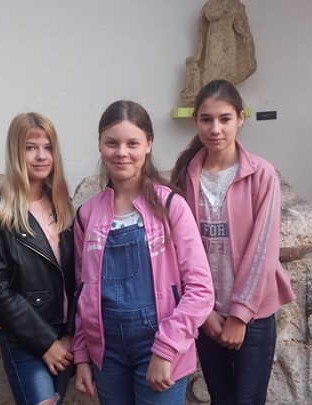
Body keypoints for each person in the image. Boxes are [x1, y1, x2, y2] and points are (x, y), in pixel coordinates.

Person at [72, 100, 214, 404]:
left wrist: (166, 348)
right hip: (106, 352)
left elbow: (201, 289)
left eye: (132, 143)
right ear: (100, 144)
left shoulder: (170, 207)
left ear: (148, 144)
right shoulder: (86, 215)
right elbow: (82, 291)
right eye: (112, 143)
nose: (121, 152)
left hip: (160, 347)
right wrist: (82, 354)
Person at [170, 79, 297, 405]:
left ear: (240, 119)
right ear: (196, 121)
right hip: (207, 314)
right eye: (206, 119)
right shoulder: (185, 177)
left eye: (224, 118)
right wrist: (205, 312)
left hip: (253, 316)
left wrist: (240, 316)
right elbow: (181, 252)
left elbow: (263, 251)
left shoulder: (262, 175)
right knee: (221, 399)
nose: (215, 129)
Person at [0, 112, 75, 405]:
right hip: (24, 336)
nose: (41, 156)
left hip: (64, 335)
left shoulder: (62, 205)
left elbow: (77, 275)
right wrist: (46, 343)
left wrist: (70, 334)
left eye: (48, 147)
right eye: (30, 148)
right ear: (15, 152)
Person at [180, 0, 256, 106]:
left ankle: (225, 96)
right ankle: (210, 97)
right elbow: (210, 15)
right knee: (212, 66)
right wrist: (222, 7)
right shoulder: (211, 4)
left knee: (227, 68)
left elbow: (241, 25)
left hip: (228, 40)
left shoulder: (234, 3)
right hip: (214, 39)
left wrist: (248, 45)